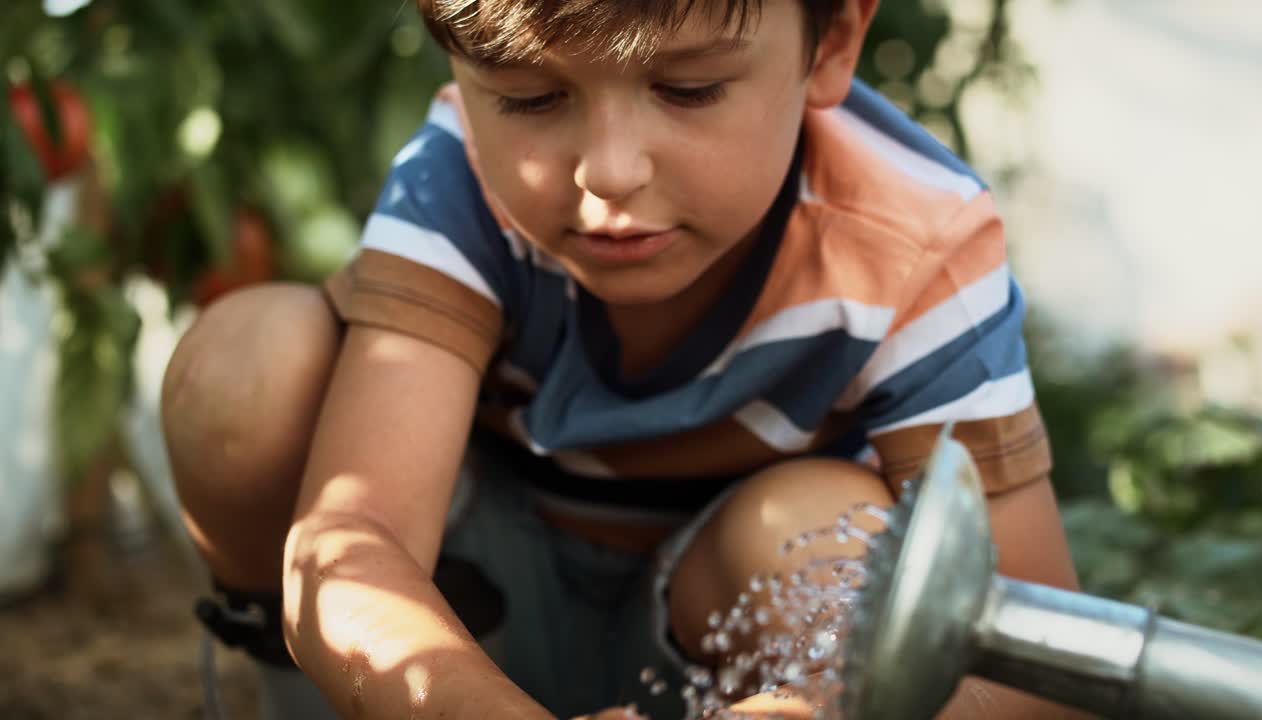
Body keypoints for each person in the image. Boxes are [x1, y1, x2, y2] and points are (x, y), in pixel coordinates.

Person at [161, 0, 1084, 718]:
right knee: (249, 366)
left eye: (687, 89)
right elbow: (351, 545)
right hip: (458, 624)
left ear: (831, 40)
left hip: (720, 637)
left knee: (822, 531)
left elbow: (1028, 650)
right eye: (528, 96)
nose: (609, 172)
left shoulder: (912, 246)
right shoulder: (459, 187)